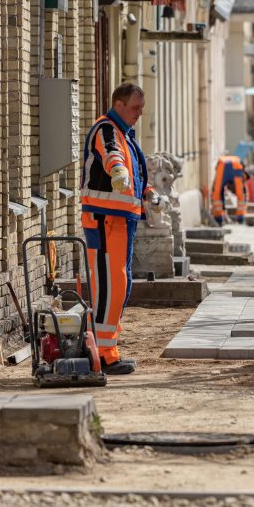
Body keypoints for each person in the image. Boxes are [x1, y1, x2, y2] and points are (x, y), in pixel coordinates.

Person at [80, 83, 159, 374]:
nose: (140, 113)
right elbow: (113, 156)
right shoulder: (107, 129)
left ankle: (107, 348)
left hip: (119, 222)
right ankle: (101, 353)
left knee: (118, 286)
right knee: (108, 287)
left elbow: (135, 170)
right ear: (119, 103)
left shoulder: (126, 134)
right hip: (103, 221)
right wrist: (118, 172)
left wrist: (148, 192)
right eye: (136, 107)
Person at [211, 155, 248, 224]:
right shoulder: (242, 172)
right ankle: (240, 218)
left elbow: (218, 193)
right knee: (241, 194)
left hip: (222, 165)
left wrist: (223, 208)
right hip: (237, 166)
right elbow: (244, 193)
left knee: (217, 192)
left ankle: (218, 218)